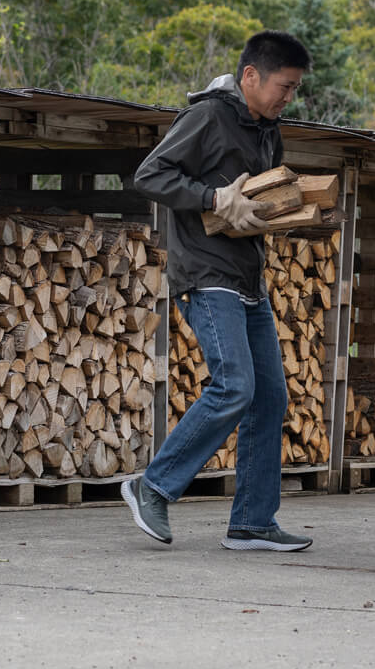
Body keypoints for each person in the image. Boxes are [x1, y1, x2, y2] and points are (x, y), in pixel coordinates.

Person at [122, 30, 314, 552]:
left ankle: (252, 522)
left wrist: (282, 210)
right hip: (206, 274)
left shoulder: (267, 127)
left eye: (295, 89)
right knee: (235, 387)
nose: (288, 97)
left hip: (248, 276)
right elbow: (151, 174)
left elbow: (256, 192)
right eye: (284, 86)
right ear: (250, 76)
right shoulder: (207, 116)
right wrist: (211, 197)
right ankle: (152, 486)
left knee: (270, 397)